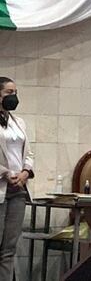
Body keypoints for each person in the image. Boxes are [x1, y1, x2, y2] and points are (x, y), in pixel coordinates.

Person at [0, 78, 33, 280]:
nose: (14, 96)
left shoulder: (19, 122)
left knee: (9, 248)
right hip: (1, 186)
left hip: (18, 189)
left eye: (15, 92)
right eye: (9, 92)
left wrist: (26, 171)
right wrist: (5, 173)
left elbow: (29, 153)